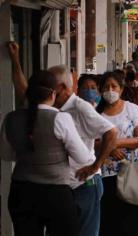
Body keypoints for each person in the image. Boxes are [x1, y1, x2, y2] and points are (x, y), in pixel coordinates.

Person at [7, 42, 117, 236]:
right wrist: (15, 60)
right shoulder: (45, 109)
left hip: (83, 185)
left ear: (63, 88)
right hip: (59, 188)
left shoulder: (80, 108)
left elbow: (111, 132)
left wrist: (95, 166)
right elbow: (23, 89)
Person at [0, 71, 94, 236]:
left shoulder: (11, 118)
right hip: (56, 194)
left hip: (21, 193)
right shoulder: (60, 119)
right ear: (53, 94)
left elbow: (6, 155)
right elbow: (83, 158)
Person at [96, 71, 138, 236]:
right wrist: (109, 148)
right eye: (106, 87)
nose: (110, 90)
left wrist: (112, 143)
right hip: (105, 176)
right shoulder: (96, 113)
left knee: (131, 223)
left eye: (114, 86)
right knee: (109, 223)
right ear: (100, 90)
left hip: (131, 175)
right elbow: (89, 142)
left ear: (121, 89)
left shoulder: (131, 109)